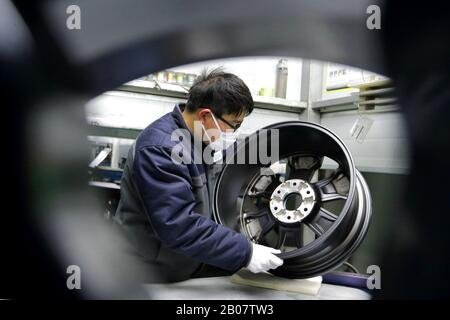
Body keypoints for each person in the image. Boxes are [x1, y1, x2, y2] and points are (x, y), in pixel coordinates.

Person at [113, 68, 283, 282]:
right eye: (234, 125)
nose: (234, 133)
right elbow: (178, 225)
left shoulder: (204, 138)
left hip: (191, 267)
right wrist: (245, 252)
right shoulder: (160, 149)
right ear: (205, 116)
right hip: (151, 274)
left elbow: (233, 160)